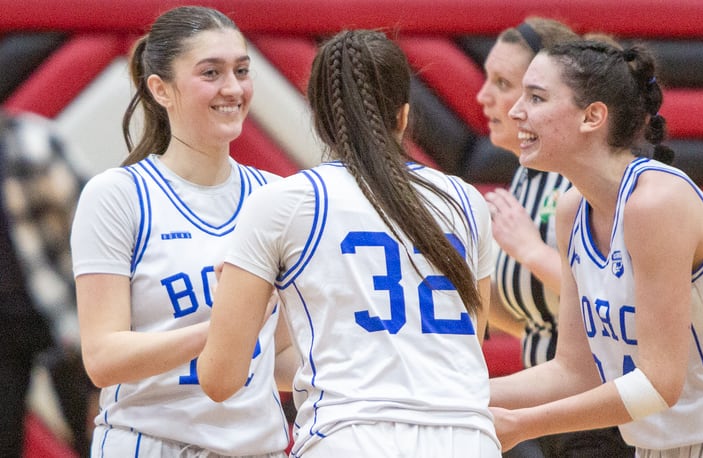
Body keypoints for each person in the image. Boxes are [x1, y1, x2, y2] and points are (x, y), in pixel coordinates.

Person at [489, 39, 703, 457]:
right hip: (657, 448)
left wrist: (521, 424)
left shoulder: (655, 203)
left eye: (536, 97)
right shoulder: (572, 210)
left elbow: (660, 383)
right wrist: (456, 393)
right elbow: (575, 372)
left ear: (593, 117)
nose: (516, 111)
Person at [197, 29, 500, 458]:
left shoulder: (286, 202)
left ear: (318, 117)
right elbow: (470, 341)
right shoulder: (466, 201)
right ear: (404, 116)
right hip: (467, 439)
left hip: (350, 438)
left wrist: (239, 311)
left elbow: (219, 380)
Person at [70, 6, 291, 457]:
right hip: (152, 445)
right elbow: (102, 359)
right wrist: (225, 329)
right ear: (160, 89)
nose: (233, 88)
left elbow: (280, 356)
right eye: (211, 72)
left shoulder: (277, 197)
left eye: (242, 70)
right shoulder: (117, 195)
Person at [476, 18, 633, 457]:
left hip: (604, 414)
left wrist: (530, 251)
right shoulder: (528, 174)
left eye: (524, 90)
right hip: (552, 406)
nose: (484, 97)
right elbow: (533, 315)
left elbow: (613, 303)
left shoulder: (591, 181)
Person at [0, 110, 92, 457]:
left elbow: (97, 227)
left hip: (66, 311)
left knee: (100, 438)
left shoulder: (34, 142)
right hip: (4, 334)